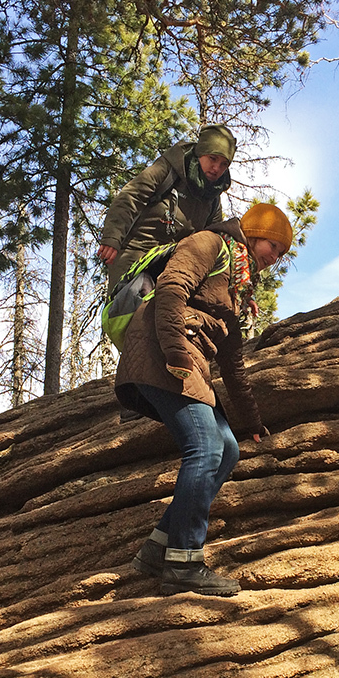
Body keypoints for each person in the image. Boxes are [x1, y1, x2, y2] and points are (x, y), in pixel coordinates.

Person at [115, 202, 294, 596]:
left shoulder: (237, 285)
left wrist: (251, 422)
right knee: (206, 448)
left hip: (188, 362)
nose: (275, 257)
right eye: (274, 246)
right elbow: (172, 288)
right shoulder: (210, 243)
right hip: (163, 355)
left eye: (281, 253)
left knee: (227, 449)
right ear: (256, 233)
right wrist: (175, 349)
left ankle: (158, 549)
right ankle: (184, 562)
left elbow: (233, 363)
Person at [98, 124, 237, 287]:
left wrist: (237, 286)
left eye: (224, 164)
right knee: (125, 309)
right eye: (213, 159)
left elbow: (215, 243)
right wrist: (112, 237)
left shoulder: (213, 196)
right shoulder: (170, 168)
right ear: (200, 153)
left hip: (172, 266)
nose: (216, 168)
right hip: (137, 252)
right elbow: (131, 196)